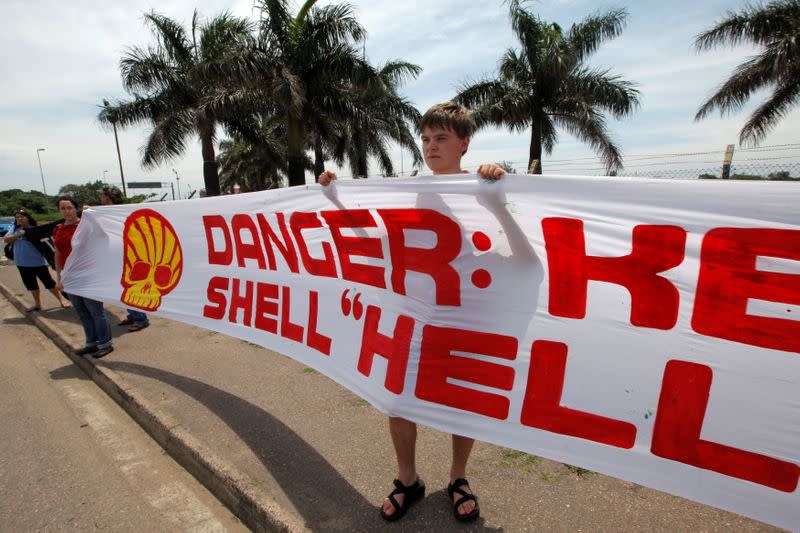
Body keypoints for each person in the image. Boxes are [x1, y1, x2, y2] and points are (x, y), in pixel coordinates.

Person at [319, 102, 505, 523]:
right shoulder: (407, 191)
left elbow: (512, 245)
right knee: (397, 399)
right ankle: (408, 480)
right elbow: (369, 234)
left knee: (462, 402)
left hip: (464, 315)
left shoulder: (483, 187)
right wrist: (334, 194)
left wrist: (496, 191)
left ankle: (458, 478)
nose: (431, 146)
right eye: (425, 139)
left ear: (464, 143)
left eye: (441, 138)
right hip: (410, 313)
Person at [53, 195, 114, 358]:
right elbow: (58, 254)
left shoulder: (85, 225)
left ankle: (105, 343)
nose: (66, 211)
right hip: (70, 277)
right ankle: (91, 343)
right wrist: (59, 278)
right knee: (82, 312)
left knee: (96, 311)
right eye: (62, 208)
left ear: (76, 208)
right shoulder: (58, 229)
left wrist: (92, 215)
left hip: (88, 276)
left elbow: (104, 235)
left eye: (69, 207)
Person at [93, 185, 150, 332]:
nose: (100, 197)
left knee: (129, 285)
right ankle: (133, 314)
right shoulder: (108, 211)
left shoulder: (119, 210)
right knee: (121, 286)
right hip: (116, 254)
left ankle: (140, 318)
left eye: (102, 195)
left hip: (127, 254)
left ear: (109, 196)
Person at [2, 209, 70, 312]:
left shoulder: (36, 230)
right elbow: (6, 239)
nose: (19, 218)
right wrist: (17, 235)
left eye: (22, 216)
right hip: (21, 263)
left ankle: (61, 301)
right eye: (17, 217)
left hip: (37, 263)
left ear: (27, 217)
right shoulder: (15, 229)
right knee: (31, 285)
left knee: (49, 283)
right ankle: (38, 304)